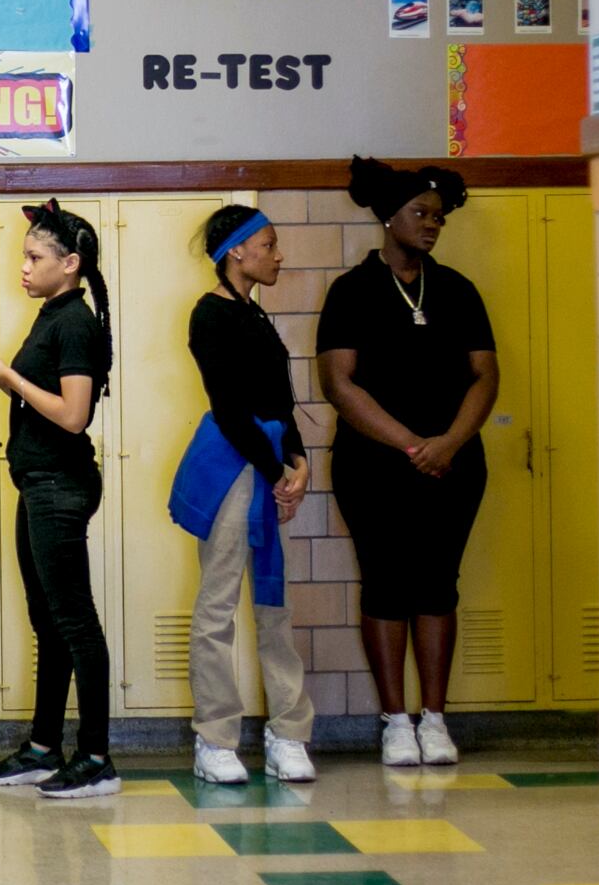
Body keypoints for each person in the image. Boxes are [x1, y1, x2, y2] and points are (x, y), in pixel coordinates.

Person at [316, 157, 500, 768]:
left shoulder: (457, 290)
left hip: (453, 464)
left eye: (438, 217)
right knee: (387, 584)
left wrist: (447, 443)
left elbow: (485, 375)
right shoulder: (352, 291)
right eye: (420, 214)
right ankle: (396, 721)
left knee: (438, 585)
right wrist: (412, 446)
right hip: (375, 467)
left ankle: (435, 719)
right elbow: (341, 385)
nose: (431, 225)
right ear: (388, 217)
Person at [0, 201, 118, 800]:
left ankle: (98, 757)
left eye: (35, 258)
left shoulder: (74, 323)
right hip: (38, 483)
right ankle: (42, 747)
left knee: (76, 623)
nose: (24, 268)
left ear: (71, 263)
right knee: (49, 623)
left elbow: (73, 416)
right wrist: (5, 373)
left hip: (60, 484)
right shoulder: (53, 314)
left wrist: (7, 378)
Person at [167, 204, 316, 786]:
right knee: (218, 607)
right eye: (269, 245)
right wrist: (276, 467)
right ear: (237, 251)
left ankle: (288, 730)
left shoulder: (258, 316)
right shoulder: (210, 316)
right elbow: (230, 408)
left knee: (274, 609)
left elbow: (281, 398)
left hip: (269, 461)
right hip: (233, 468)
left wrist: (299, 459)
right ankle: (216, 736)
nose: (278, 256)